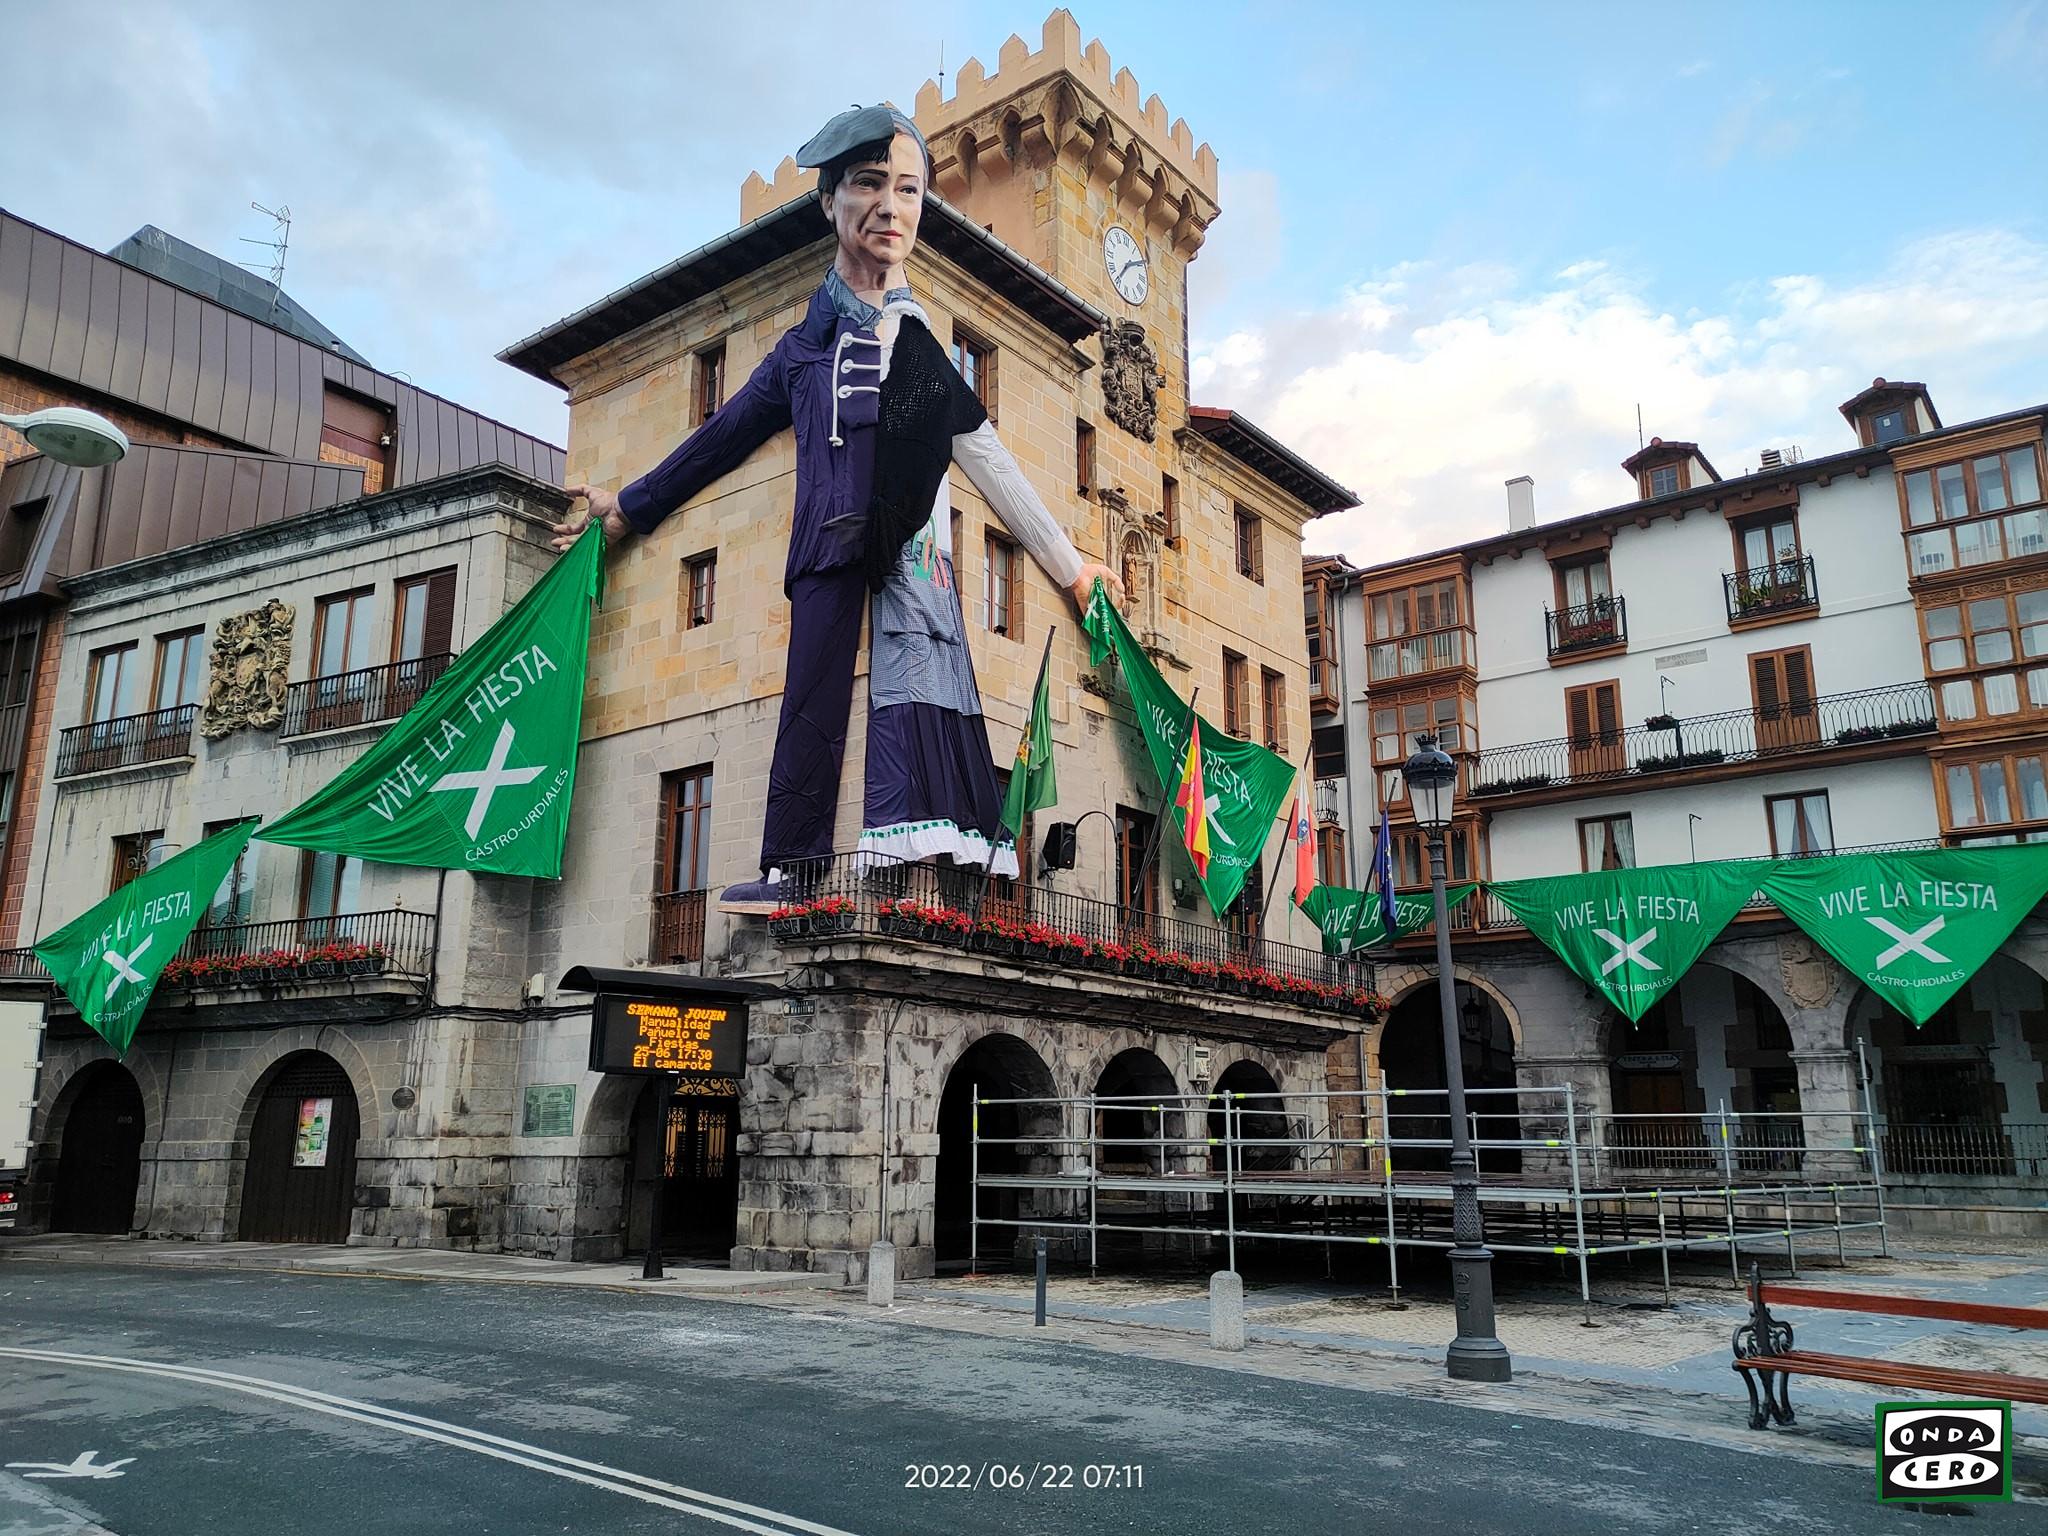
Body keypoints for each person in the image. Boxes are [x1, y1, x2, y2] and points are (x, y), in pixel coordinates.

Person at [552, 104, 1122, 908]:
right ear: (830, 201)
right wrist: (628, 508)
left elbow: (991, 461)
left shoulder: (922, 352)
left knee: (915, 687)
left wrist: (1071, 568)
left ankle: (915, 865)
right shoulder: (801, 352)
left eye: (908, 190)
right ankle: (794, 870)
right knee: (808, 705)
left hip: (908, 552)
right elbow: (720, 439)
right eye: (868, 184)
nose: (890, 208)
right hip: (825, 543)